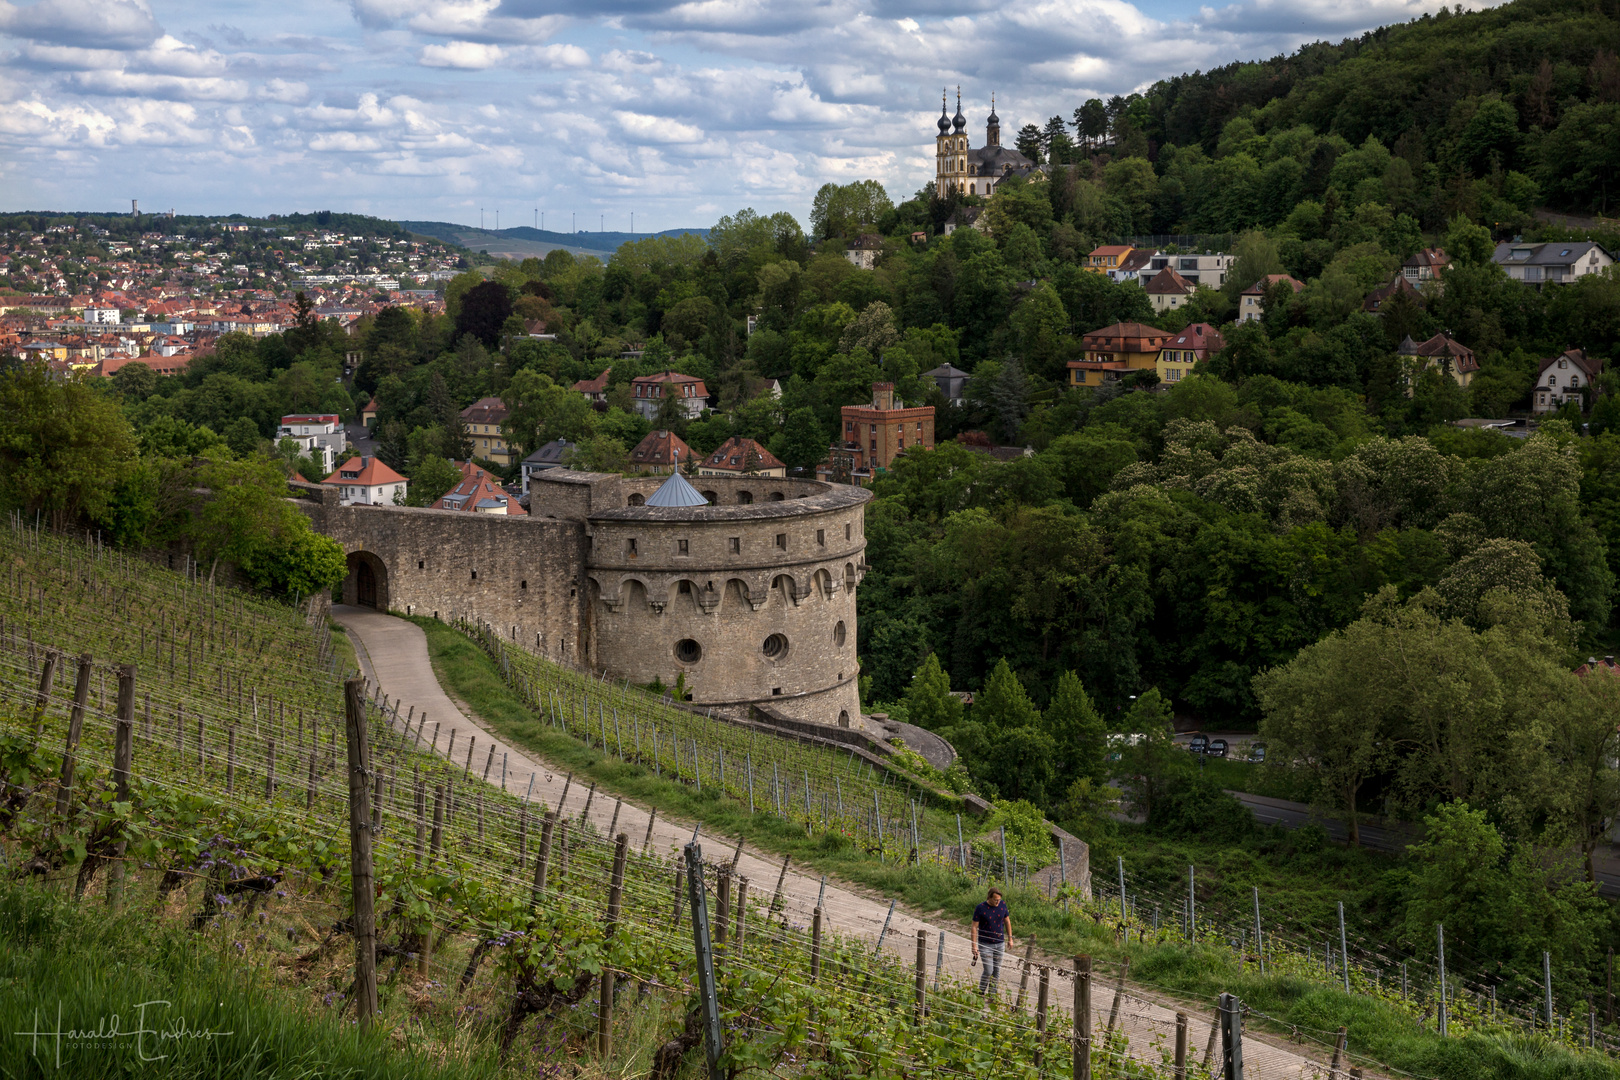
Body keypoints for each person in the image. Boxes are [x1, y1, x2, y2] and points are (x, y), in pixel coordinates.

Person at [969, 887, 1011, 998]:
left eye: (999, 900)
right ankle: (981, 992)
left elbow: (1007, 921)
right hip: (985, 944)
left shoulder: (1002, 905)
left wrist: (1010, 939)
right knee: (988, 970)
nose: (998, 902)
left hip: (1000, 943)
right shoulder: (980, 908)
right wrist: (974, 946)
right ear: (989, 897)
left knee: (996, 971)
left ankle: (992, 996)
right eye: (995, 900)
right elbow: (974, 927)